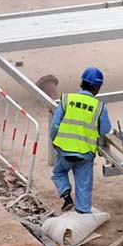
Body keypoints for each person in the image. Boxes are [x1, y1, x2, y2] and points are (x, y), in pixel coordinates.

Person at [50, 67, 111, 213]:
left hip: (64, 150)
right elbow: (105, 129)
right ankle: (83, 213)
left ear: (81, 83)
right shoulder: (99, 107)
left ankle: (66, 196)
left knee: (58, 173)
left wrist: (55, 141)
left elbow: (55, 125)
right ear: (97, 87)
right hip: (85, 153)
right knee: (83, 185)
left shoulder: (67, 100)